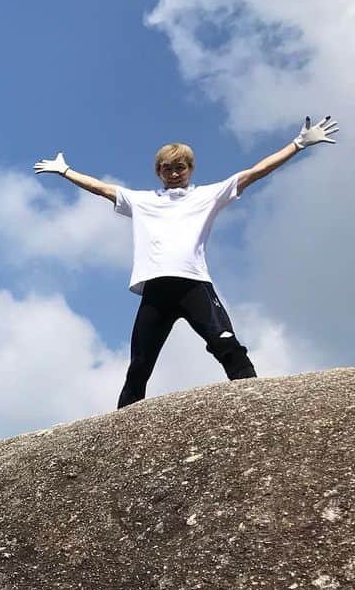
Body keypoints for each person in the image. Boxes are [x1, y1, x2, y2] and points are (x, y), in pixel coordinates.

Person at [34, 116, 339, 408]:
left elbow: (254, 172)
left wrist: (298, 144)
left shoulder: (207, 195)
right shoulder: (142, 201)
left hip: (194, 285)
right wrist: (66, 171)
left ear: (190, 168)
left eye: (180, 167)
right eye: (167, 168)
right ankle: (120, 427)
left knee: (226, 344)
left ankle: (256, 402)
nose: (174, 173)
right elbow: (100, 188)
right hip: (156, 291)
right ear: (159, 172)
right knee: (140, 363)